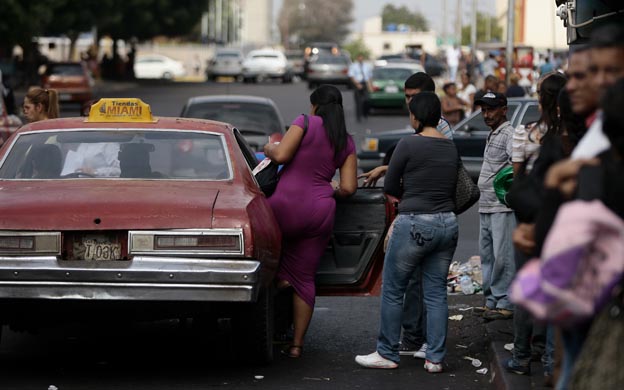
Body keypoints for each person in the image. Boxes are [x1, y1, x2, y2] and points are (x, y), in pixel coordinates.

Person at [355, 92, 459, 373]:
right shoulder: (450, 147)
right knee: (436, 292)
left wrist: (410, 191)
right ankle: (434, 358)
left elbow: (390, 187)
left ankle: (387, 352)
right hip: (448, 223)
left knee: (392, 290)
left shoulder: (408, 144)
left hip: (415, 222)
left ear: (415, 116)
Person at [263, 84, 357, 358]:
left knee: (265, 264)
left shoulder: (304, 122)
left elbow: (281, 155)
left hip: (284, 206)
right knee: (304, 279)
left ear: (315, 105)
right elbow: (349, 188)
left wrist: (269, 147)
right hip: (320, 211)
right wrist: (331, 188)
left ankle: (270, 316)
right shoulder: (346, 140)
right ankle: (297, 345)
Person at [503, 72, 567, 380]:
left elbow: (517, 180)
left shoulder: (525, 133)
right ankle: (550, 360)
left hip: (529, 217)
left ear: (541, 99)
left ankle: (521, 355)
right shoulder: (573, 136)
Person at [474, 91, 516, 321]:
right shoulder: (493, 134)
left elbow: (515, 167)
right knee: (487, 256)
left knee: (503, 257)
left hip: (501, 206)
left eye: (491, 109)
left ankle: (506, 302)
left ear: (504, 109)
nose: (487, 114)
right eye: (483, 110)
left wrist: (505, 191)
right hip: (486, 204)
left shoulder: (509, 134)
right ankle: (491, 301)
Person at [348, 54, 373, 122]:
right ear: (357, 58)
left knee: (367, 99)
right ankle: (358, 116)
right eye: (359, 57)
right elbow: (351, 76)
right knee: (358, 101)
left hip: (365, 83)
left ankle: (365, 113)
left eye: (362, 57)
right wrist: (357, 84)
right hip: (357, 83)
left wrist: (370, 85)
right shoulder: (353, 66)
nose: (360, 59)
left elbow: (370, 76)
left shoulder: (367, 66)